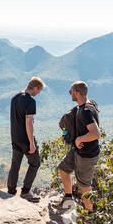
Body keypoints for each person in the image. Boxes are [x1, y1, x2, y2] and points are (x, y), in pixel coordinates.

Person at [53, 81, 101, 212]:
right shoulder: (86, 105)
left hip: (87, 154)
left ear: (77, 93)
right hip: (78, 151)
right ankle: (68, 200)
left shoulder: (86, 111)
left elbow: (96, 133)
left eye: (71, 91)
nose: (70, 94)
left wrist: (79, 138)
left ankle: (89, 214)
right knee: (63, 168)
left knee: (84, 185)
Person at [7, 77, 45, 202]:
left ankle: (11, 191)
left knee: (15, 164)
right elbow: (29, 123)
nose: (38, 93)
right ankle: (25, 191)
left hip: (15, 137)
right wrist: (31, 143)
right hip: (25, 139)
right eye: (39, 91)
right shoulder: (30, 101)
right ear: (35, 87)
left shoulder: (14, 98)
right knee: (35, 163)